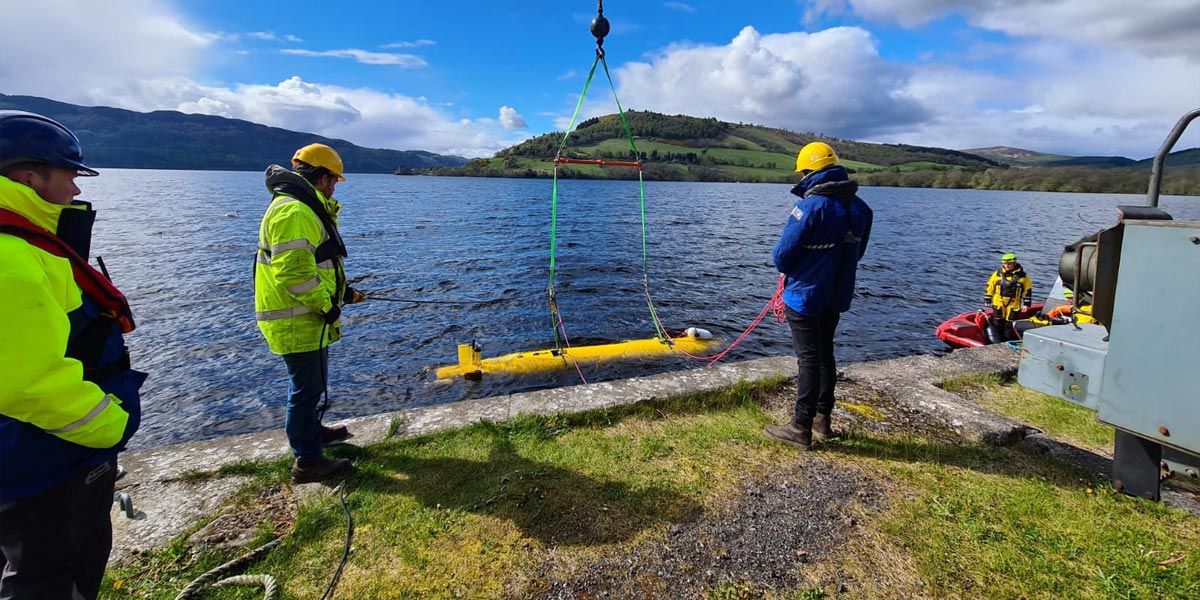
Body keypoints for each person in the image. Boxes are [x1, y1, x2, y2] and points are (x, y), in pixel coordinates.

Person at [0, 111, 145, 598]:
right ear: (28, 177)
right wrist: (111, 426)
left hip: (26, 457)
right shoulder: (12, 259)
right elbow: (28, 383)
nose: (76, 190)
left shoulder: (25, 243)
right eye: (68, 176)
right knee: (53, 579)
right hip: (42, 462)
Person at [254, 143, 366, 483]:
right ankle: (307, 461)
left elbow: (315, 263)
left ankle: (313, 434)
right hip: (296, 317)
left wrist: (342, 292)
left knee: (311, 385)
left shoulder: (300, 208)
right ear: (320, 178)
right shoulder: (295, 213)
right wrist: (326, 305)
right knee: (305, 390)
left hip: (302, 315)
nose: (334, 188)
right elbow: (294, 274)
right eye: (333, 180)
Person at [765, 142, 873, 450]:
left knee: (809, 358)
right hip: (837, 294)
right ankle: (823, 422)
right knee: (826, 354)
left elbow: (782, 257)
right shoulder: (862, 209)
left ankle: (800, 427)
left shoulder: (810, 207)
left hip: (806, 296)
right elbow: (858, 254)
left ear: (809, 172)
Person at [983, 253, 1032, 343]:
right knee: (998, 322)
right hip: (999, 302)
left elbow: (1027, 290)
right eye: (1005, 264)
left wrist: (1026, 304)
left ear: (1014, 263)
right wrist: (988, 298)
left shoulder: (1023, 276)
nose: (1007, 266)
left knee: (1010, 324)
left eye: (1009, 264)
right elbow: (990, 286)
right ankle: (996, 341)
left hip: (1014, 304)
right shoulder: (997, 274)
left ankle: (1008, 341)